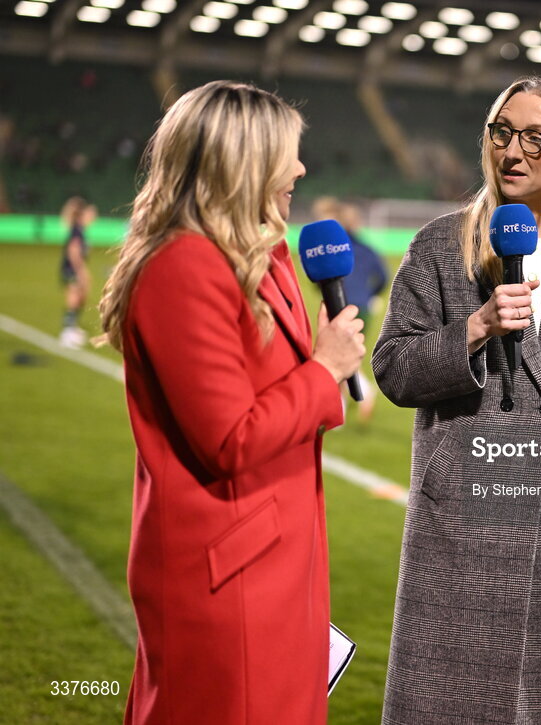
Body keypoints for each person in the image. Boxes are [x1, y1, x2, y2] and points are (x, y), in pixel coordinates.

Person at [372, 76, 541, 724]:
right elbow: (391, 367)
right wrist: (472, 329)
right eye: (501, 132)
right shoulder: (442, 245)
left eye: (536, 138)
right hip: (457, 531)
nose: (513, 151)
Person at [96, 80, 365, 725]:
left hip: (273, 560)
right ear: (241, 160)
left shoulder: (260, 253)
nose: (301, 168)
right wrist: (326, 370)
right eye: (287, 154)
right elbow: (229, 439)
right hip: (228, 574)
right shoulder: (182, 266)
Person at [312, 196, 389, 422]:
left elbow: (320, 277)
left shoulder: (331, 248)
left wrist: (323, 293)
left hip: (340, 305)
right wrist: (370, 295)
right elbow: (383, 277)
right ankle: (343, 407)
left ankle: (359, 395)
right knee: (346, 354)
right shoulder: (366, 248)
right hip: (362, 306)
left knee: (337, 356)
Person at [58, 195, 97, 348]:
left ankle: (72, 328)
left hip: (74, 268)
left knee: (81, 297)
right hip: (72, 269)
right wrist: (81, 271)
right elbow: (73, 251)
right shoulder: (77, 230)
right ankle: (67, 333)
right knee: (74, 297)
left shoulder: (80, 229)